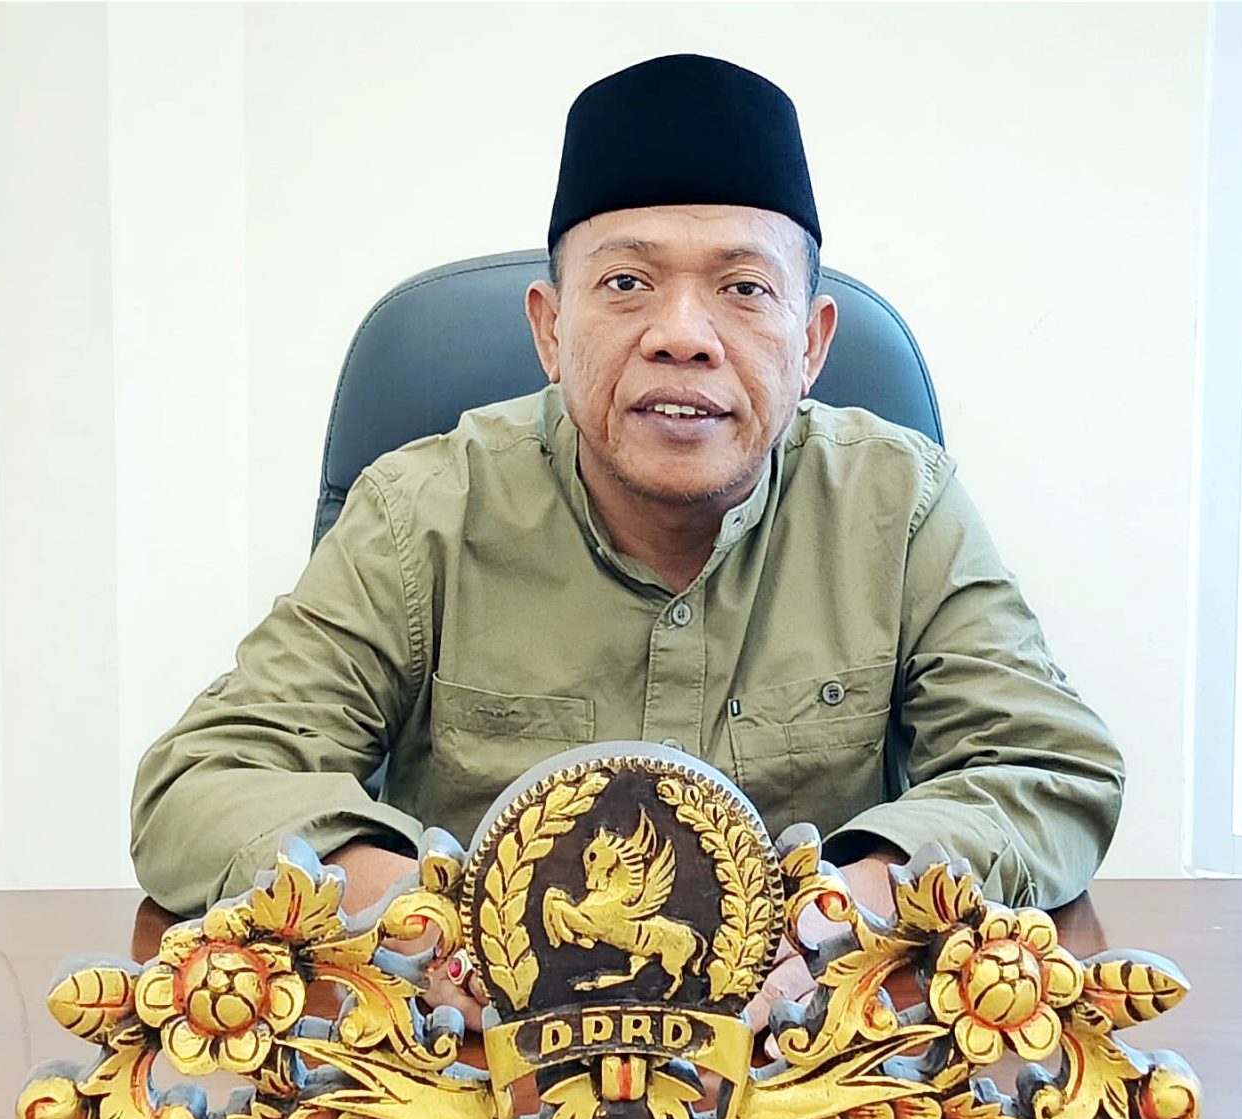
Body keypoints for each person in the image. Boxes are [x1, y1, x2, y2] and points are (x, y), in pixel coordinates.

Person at [131, 54, 1123, 1022]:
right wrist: (420, 915)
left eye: (743, 288)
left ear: (813, 342)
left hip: (806, 1059)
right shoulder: (421, 510)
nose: (682, 334)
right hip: (482, 1063)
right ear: (549, 329)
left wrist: (841, 907)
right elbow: (204, 781)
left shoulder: (898, 503)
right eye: (625, 283)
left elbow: (1048, 766)